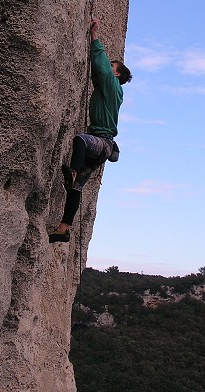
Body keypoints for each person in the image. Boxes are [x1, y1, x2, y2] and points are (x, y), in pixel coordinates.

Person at [49, 18, 132, 243]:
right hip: (104, 147)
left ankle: (74, 171)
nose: (109, 67)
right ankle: (63, 229)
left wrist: (94, 36)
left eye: (112, 66)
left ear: (116, 75)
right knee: (75, 189)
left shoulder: (113, 85)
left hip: (101, 143)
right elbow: (101, 72)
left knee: (81, 141)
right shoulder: (112, 91)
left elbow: (102, 67)